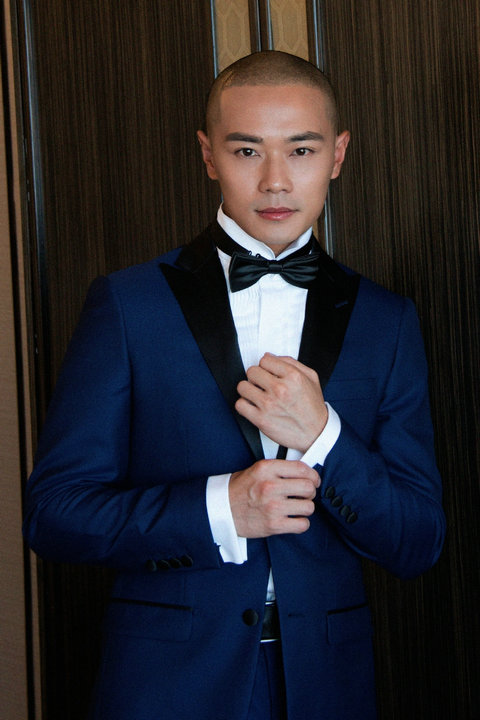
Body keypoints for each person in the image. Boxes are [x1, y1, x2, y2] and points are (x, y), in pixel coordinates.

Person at [23, 51, 445, 720]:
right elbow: (55, 515)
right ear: (208, 155)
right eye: (247, 151)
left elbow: (418, 542)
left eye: (301, 150)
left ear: (338, 154)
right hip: (167, 688)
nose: (276, 181)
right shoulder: (128, 306)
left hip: (326, 687)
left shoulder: (387, 321)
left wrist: (324, 438)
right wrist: (222, 509)